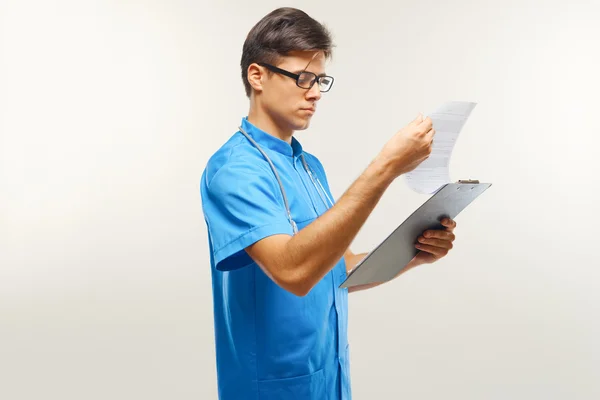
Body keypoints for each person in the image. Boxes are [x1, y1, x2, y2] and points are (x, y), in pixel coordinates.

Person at [200, 7, 457, 400]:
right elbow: (295, 269)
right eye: (302, 77)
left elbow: (335, 268)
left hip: (329, 383)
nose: (316, 92)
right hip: (270, 389)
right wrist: (386, 167)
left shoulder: (307, 166)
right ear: (257, 76)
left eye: (320, 79)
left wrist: (413, 253)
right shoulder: (233, 172)